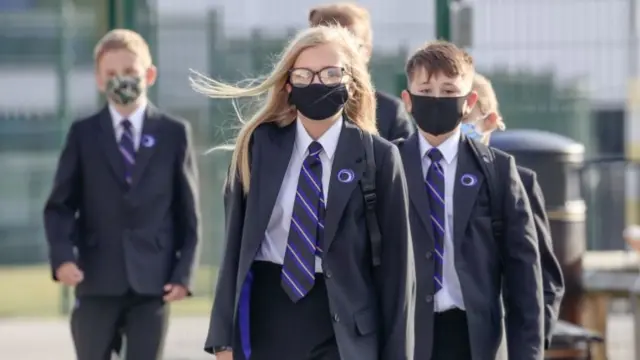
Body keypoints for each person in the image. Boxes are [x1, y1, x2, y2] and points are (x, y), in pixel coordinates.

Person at [194, 25, 415, 360]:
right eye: (304, 74)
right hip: (268, 319)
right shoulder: (258, 146)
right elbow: (235, 249)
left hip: (345, 330)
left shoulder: (379, 157)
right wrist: (223, 339)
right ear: (288, 84)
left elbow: (398, 273)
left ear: (351, 83)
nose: (317, 83)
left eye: (330, 73)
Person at [43, 29, 201, 360]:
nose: (122, 81)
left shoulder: (173, 134)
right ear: (100, 80)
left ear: (150, 74)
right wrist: (62, 257)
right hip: (97, 278)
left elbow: (187, 212)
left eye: (130, 72)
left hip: (152, 282)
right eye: (112, 74)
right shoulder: (83, 134)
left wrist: (183, 273)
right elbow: (59, 205)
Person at [395, 41, 544, 359]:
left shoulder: (498, 170)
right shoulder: (385, 166)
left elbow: (524, 276)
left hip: (475, 340)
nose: (436, 99)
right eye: (426, 89)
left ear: (469, 101)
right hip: (405, 337)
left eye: (449, 91)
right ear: (407, 100)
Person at [462, 73, 565, 349]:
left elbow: (545, 279)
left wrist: (530, 345)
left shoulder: (518, 182)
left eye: (465, 121)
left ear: (491, 121)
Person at [308, 2, 415, 141]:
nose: (342, 55)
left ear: (367, 51)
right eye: (332, 46)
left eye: (351, 45)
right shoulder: (295, 108)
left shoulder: (390, 111)